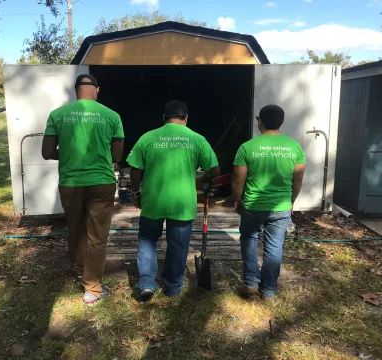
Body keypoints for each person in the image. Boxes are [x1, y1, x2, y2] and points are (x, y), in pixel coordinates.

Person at [42, 74, 124, 306]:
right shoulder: (112, 116)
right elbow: (117, 155)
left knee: (75, 228)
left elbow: (47, 152)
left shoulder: (58, 115)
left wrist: (69, 154)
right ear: (96, 90)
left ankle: (79, 269)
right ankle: (93, 288)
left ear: (76, 90)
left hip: (70, 183)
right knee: (97, 236)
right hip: (101, 182)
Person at [127, 100, 220, 301]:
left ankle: (147, 283)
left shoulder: (148, 137)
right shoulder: (197, 139)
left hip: (153, 200)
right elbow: (215, 169)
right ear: (186, 118)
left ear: (164, 118)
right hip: (183, 203)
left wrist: (136, 192)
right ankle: (173, 287)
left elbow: (135, 169)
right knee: (178, 245)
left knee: (148, 240)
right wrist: (202, 179)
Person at [232, 105, 306, 301]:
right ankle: (268, 290)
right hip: (280, 206)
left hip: (253, 205)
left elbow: (238, 180)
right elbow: (297, 181)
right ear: (280, 123)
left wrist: (237, 201)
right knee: (274, 246)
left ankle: (250, 283)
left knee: (249, 240)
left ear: (260, 122)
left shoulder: (247, 147)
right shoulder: (294, 147)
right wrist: (290, 202)